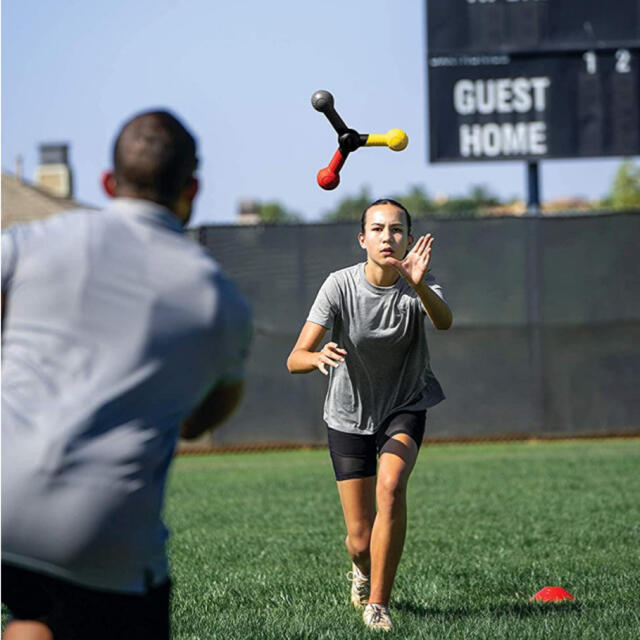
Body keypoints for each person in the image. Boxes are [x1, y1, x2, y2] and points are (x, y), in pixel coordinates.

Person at [1, 110, 252, 640]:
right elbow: (202, 419)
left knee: (34, 616)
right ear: (193, 189)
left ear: (107, 183)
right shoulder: (218, 299)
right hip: (102, 529)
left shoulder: (31, 241)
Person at [286, 199, 452, 632]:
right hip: (348, 415)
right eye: (377, 229)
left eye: (397, 230)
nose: (387, 237)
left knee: (392, 486)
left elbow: (445, 321)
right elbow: (294, 358)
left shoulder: (420, 282)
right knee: (359, 540)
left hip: (404, 404)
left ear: (409, 240)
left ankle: (378, 603)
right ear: (362, 239)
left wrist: (417, 285)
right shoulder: (339, 286)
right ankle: (361, 571)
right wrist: (317, 354)